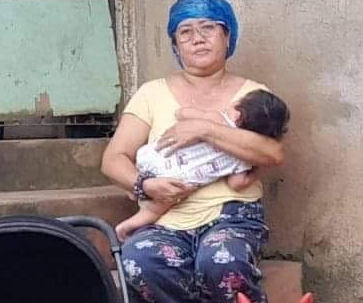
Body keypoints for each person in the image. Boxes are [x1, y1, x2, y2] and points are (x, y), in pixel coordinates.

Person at [103, 0, 286, 303]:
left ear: (227, 37)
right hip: (168, 217)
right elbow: (113, 159)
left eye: (208, 28)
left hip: (232, 214)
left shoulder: (253, 96)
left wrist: (205, 131)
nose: (198, 38)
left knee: (220, 259)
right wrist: (145, 185)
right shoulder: (152, 94)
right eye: (185, 32)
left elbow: (273, 152)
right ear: (175, 45)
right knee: (138, 258)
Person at [115, 88, 291, 240]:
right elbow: (236, 184)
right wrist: (256, 168)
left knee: (144, 166)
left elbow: (181, 113)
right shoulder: (243, 159)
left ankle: (134, 188)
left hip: (156, 156)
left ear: (238, 112)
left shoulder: (216, 119)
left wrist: (196, 119)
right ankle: (129, 225)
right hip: (178, 181)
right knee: (158, 208)